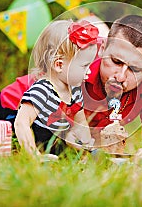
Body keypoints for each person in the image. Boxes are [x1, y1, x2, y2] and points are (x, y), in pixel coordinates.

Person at [82, 14, 142, 152]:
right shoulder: (79, 54)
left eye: (135, 69)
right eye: (116, 61)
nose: (120, 77)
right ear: (102, 49)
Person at [14, 20, 99, 155]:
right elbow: (21, 123)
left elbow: (80, 122)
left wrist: (85, 144)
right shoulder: (42, 90)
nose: (89, 71)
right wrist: (34, 156)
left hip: (56, 144)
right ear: (59, 65)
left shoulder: (75, 91)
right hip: (37, 143)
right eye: (85, 66)